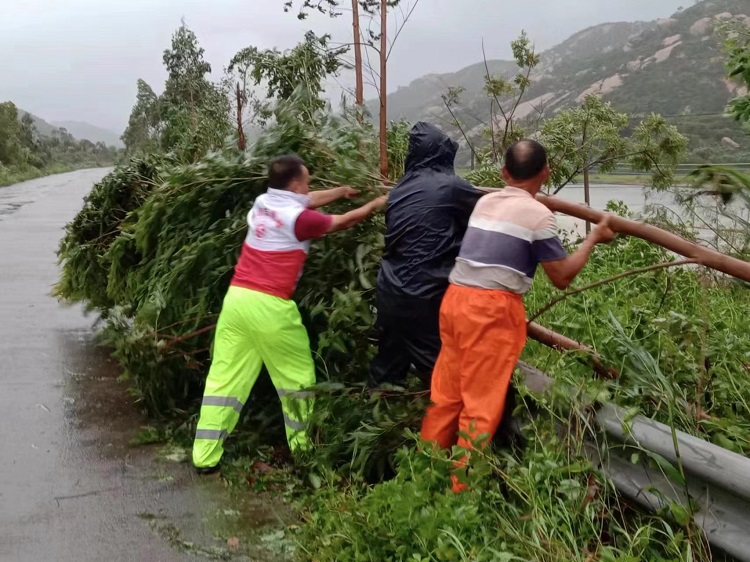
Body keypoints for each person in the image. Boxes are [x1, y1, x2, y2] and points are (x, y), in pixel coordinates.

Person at [420, 140, 616, 489]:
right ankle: (460, 492)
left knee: (447, 394)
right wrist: (594, 237)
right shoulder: (539, 215)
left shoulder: (485, 202)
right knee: (480, 407)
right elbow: (562, 277)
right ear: (546, 172)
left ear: (504, 174)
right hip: (490, 310)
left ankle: (424, 473)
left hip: (455, 299)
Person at [193, 155, 387, 473]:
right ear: (295, 183)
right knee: (297, 381)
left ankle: (204, 456)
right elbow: (344, 222)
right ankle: (304, 452)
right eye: (307, 180)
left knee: (224, 382)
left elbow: (306, 200)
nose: (309, 186)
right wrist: (377, 203)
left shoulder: (263, 203)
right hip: (270, 307)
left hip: (237, 301)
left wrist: (341, 191)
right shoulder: (301, 220)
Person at [369, 122, 483, 388]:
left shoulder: (399, 190)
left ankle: (377, 410)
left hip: (389, 290)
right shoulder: (451, 187)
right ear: (441, 154)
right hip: (423, 293)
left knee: (389, 362)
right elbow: (485, 216)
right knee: (443, 370)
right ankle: (469, 425)